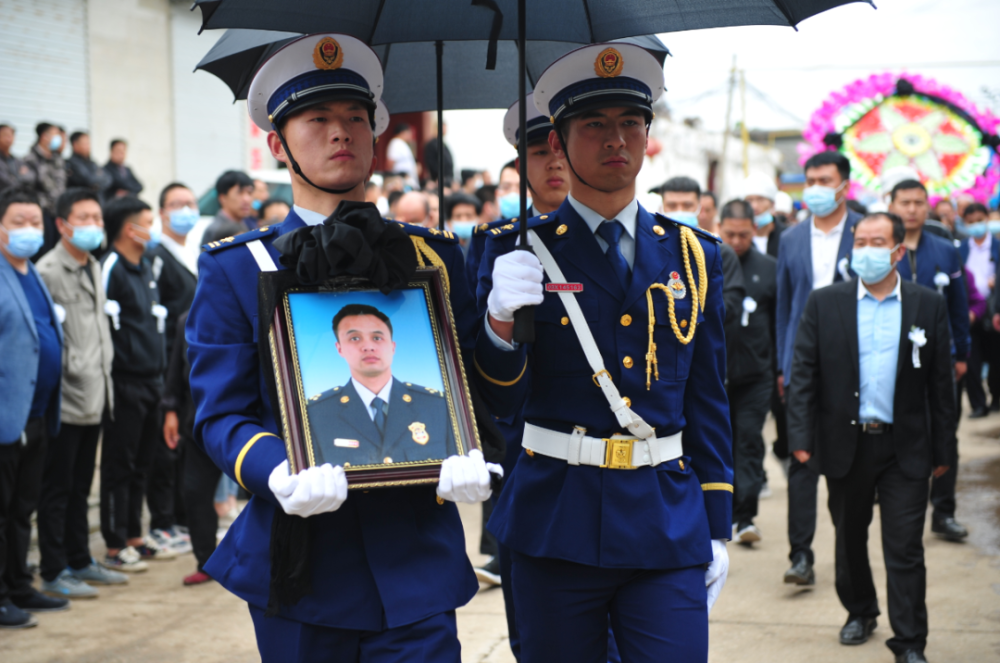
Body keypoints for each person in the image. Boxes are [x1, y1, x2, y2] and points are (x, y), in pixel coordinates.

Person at [186, 33, 496, 662]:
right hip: (304, 569)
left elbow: (480, 387)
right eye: (318, 118)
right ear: (277, 144)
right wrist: (276, 466)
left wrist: (474, 435)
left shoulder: (431, 256)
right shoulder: (238, 267)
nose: (341, 133)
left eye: (357, 118)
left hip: (417, 558)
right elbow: (220, 413)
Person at [473, 42, 732, 661]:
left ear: (649, 137)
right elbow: (494, 396)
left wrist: (716, 521)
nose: (617, 140)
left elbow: (708, 398)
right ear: (558, 144)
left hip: (666, 517)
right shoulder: (517, 252)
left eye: (630, 124)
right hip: (554, 517)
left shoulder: (695, 255)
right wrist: (498, 320)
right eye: (595, 125)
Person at [788, 212, 953, 663]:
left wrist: (945, 451)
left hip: (906, 447)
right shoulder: (826, 303)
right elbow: (804, 374)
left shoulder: (927, 304)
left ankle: (910, 641)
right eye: (859, 241)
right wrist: (800, 436)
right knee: (849, 537)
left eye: (876, 242)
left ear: (898, 251)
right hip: (847, 443)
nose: (865, 250)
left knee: (904, 546)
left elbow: (942, 386)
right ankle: (860, 611)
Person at [775, 149, 862, 587]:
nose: (815, 189)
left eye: (824, 180)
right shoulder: (790, 238)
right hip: (802, 363)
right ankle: (800, 555)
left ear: (844, 185)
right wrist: (782, 363)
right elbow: (785, 305)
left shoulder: (866, 233)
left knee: (848, 465)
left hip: (854, 365)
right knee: (801, 460)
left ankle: (849, 554)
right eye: (810, 180)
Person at [35, 189, 126, 599]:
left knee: (78, 487)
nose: (93, 225)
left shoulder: (91, 264)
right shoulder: (49, 270)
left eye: (97, 217)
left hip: (97, 392)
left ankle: (80, 560)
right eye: (84, 217)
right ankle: (54, 569)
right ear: (62, 224)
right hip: (68, 397)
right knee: (56, 489)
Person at [0, 188, 69, 628]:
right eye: (18, 221)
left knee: (22, 507)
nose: (29, 229)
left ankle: (19, 584)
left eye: (34, 222)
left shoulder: (32, 274)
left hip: (39, 411)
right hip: (7, 416)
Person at [889, 179, 971, 543]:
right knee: (895, 429)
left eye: (918, 203)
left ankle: (944, 510)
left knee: (944, 432)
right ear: (892, 205)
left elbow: (958, 304)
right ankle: (894, 496)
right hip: (895, 360)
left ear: (928, 207)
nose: (911, 209)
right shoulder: (883, 251)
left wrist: (962, 353)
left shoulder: (945, 249)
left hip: (939, 358)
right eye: (904, 202)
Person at [99, 196, 174, 571]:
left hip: (152, 381)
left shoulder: (145, 266)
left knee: (143, 462)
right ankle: (114, 545)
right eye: (148, 221)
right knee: (120, 464)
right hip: (124, 382)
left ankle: (134, 536)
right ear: (131, 229)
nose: (154, 228)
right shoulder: (110, 267)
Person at [307, 304, 456, 465]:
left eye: (377, 338)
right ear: (339, 349)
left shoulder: (437, 405)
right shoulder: (317, 413)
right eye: (354, 338)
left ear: (392, 347)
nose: (368, 346)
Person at [146, 183, 201, 554]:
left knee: (185, 451)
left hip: (190, 366)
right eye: (176, 204)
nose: (185, 210)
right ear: (162, 212)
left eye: (190, 203)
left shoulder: (196, 253)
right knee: (162, 452)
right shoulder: (156, 255)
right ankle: (161, 522)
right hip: (164, 365)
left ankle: (182, 518)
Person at [718, 199, 777, 546]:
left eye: (743, 234)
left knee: (749, 443)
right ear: (720, 229)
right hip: (714, 375)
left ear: (755, 230)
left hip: (756, 375)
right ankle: (718, 515)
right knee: (717, 445)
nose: (737, 241)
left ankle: (746, 517)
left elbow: (780, 321)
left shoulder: (769, 268)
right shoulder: (707, 261)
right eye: (730, 234)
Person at [958, 202, 998, 419]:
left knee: (996, 358)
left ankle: (996, 397)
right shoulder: (961, 249)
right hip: (970, 312)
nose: (976, 226)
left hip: (994, 312)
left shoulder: (997, 246)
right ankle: (978, 404)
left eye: (980, 220)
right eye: (971, 222)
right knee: (971, 361)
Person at [19, 123, 67, 255]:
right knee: (43, 250)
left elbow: (61, 185)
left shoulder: (57, 159)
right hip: (41, 211)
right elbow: (29, 186)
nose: (60, 138)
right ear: (45, 137)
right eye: (56, 134)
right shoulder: (30, 159)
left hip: (58, 211)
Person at [200, 170, 257, 244]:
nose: (247, 199)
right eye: (240, 192)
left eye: (249, 193)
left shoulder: (248, 224)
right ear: (223, 198)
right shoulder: (215, 230)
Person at [742, 172, 785, 258]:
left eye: (760, 199)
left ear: (772, 203)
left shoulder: (786, 236)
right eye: (749, 200)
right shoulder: (740, 238)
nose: (754, 206)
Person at [65, 131, 111, 200]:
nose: (88, 147)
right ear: (75, 144)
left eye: (88, 143)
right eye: (85, 144)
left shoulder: (92, 162)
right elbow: (89, 180)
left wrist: (95, 184)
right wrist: (98, 176)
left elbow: (108, 179)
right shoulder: (72, 163)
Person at [385, 123, 419, 188]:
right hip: (402, 182)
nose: (410, 135)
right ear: (402, 132)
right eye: (409, 132)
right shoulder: (395, 142)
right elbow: (390, 162)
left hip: (409, 181)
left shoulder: (403, 143)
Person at [423, 122, 454, 189]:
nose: (445, 130)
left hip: (448, 179)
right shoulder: (431, 144)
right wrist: (438, 176)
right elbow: (431, 163)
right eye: (443, 128)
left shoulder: (443, 144)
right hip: (439, 180)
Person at [0, 124, 21, 191]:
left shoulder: (16, 160)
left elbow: (28, 178)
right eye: (5, 135)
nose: (8, 138)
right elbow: (4, 181)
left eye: (11, 135)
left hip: (15, 196)